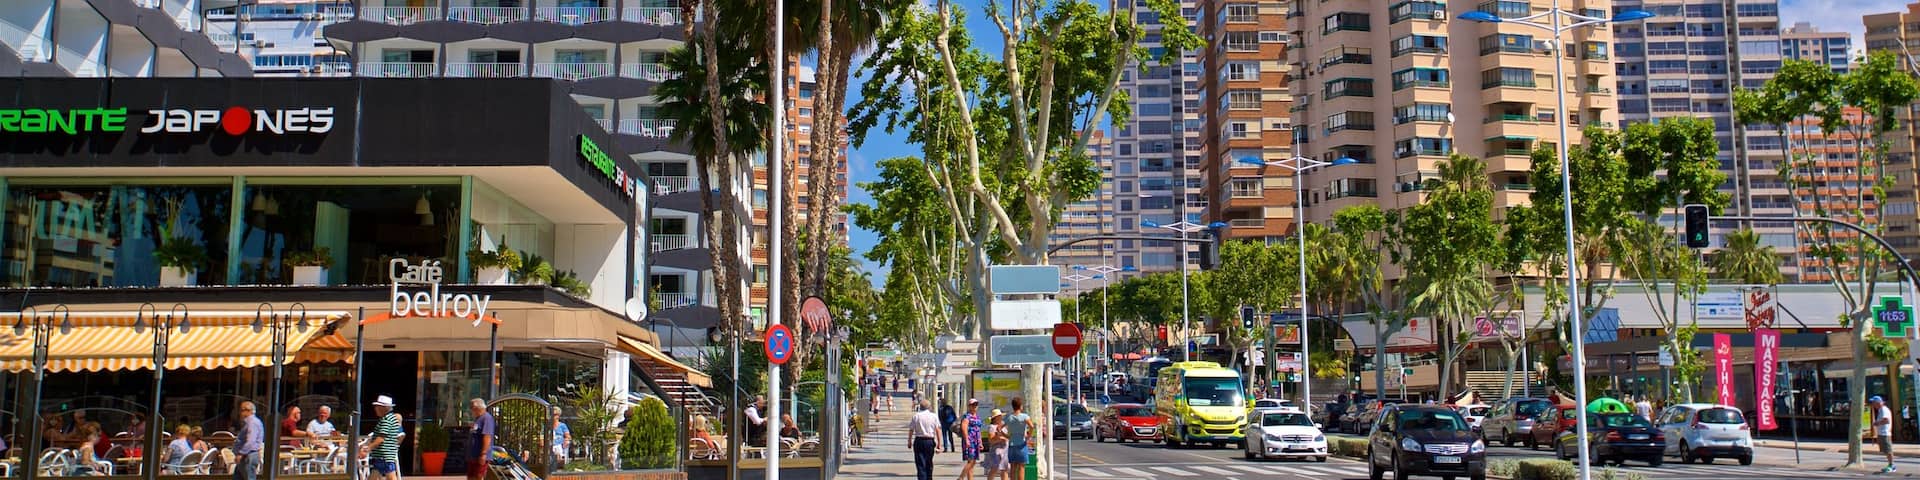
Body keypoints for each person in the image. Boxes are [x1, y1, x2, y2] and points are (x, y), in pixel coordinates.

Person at [361, 395, 403, 480]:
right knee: (375, 475)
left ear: (385, 408)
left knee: (391, 477)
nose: (375, 408)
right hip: (383, 455)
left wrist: (368, 448)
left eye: (378, 406)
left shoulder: (386, 420)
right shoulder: (389, 418)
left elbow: (381, 438)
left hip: (384, 455)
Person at [907, 399, 941, 480]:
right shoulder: (934, 416)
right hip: (930, 441)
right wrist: (939, 444)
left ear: (920, 407)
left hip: (919, 441)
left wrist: (909, 441)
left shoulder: (916, 416)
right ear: (929, 407)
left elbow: (911, 429)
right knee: (929, 462)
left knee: (920, 463)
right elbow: (938, 430)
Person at [233, 401, 264, 480]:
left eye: (241, 410)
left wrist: (241, 454)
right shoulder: (249, 423)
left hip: (248, 456)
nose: (240, 413)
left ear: (247, 411)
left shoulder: (252, 423)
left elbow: (250, 441)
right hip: (246, 456)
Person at [1004, 398, 1034, 480]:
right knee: (1021, 467)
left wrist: (1006, 436)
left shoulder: (1009, 417)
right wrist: (1029, 436)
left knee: (1013, 467)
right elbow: (1031, 426)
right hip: (1021, 443)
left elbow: (999, 428)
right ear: (1020, 406)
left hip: (1012, 443)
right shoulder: (1024, 416)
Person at [467, 399, 495, 480]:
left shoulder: (487, 418)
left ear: (477, 408)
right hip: (473, 456)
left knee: (479, 476)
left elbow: (487, 436)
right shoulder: (478, 418)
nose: (471, 410)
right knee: (471, 477)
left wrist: (483, 454)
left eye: (472, 408)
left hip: (480, 456)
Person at [959, 399, 983, 480]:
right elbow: (964, 427)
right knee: (971, 461)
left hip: (976, 440)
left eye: (976, 405)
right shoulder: (967, 416)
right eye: (973, 405)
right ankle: (961, 477)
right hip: (970, 440)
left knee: (973, 462)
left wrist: (980, 442)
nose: (975, 407)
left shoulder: (977, 416)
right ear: (969, 406)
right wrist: (966, 439)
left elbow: (978, 430)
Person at [981, 410, 1008, 479]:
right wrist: (1000, 439)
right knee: (994, 469)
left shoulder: (1003, 425)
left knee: (1004, 469)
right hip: (996, 451)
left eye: (1001, 416)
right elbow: (991, 440)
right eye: (999, 416)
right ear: (995, 418)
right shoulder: (992, 427)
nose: (1001, 417)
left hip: (1004, 450)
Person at [1873, 395, 1897, 473]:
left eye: (1874, 402)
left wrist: (1877, 423)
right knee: (1886, 451)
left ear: (1879, 403)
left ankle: (1892, 465)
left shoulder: (1883, 409)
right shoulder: (1881, 410)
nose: (1873, 404)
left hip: (1885, 433)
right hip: (1882, 433)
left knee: (1888, 450)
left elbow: (1886, 420)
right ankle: (1890, 464)